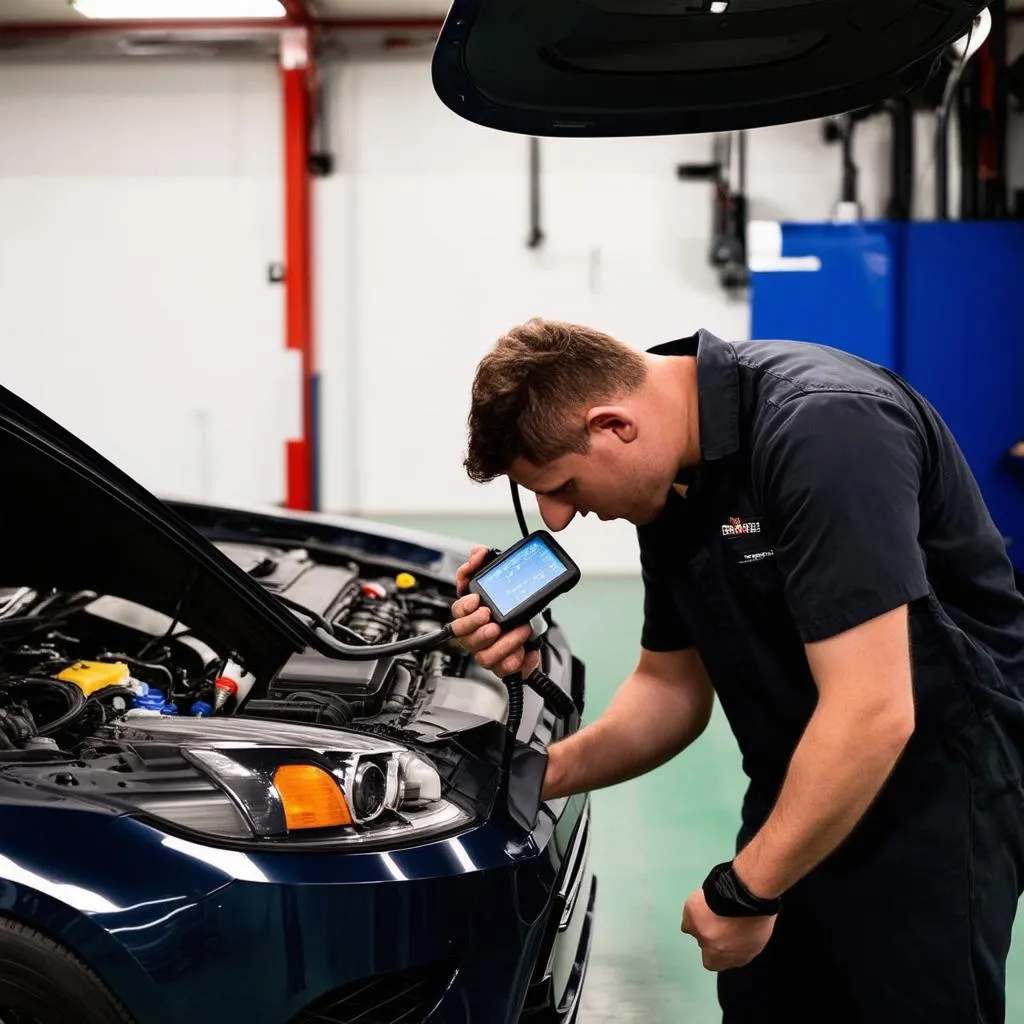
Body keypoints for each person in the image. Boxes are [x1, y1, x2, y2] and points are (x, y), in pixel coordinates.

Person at [448, 318, 1024, 1023]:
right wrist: (536, 775)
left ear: (612, 425)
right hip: (802, 782)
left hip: (934, 792)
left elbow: (874, 711)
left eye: (561, 486)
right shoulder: (669, 484)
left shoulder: (825, 428)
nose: (558, 519)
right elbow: (670, 689)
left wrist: (746, 892)